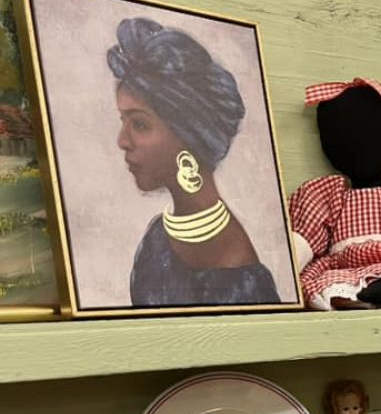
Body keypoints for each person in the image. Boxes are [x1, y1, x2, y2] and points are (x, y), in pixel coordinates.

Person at [106, 17, 280, 307]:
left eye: (139, 124)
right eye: (123, 121)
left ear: (190, 136)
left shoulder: (242, 278)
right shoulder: (156, 238)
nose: (122, 141)